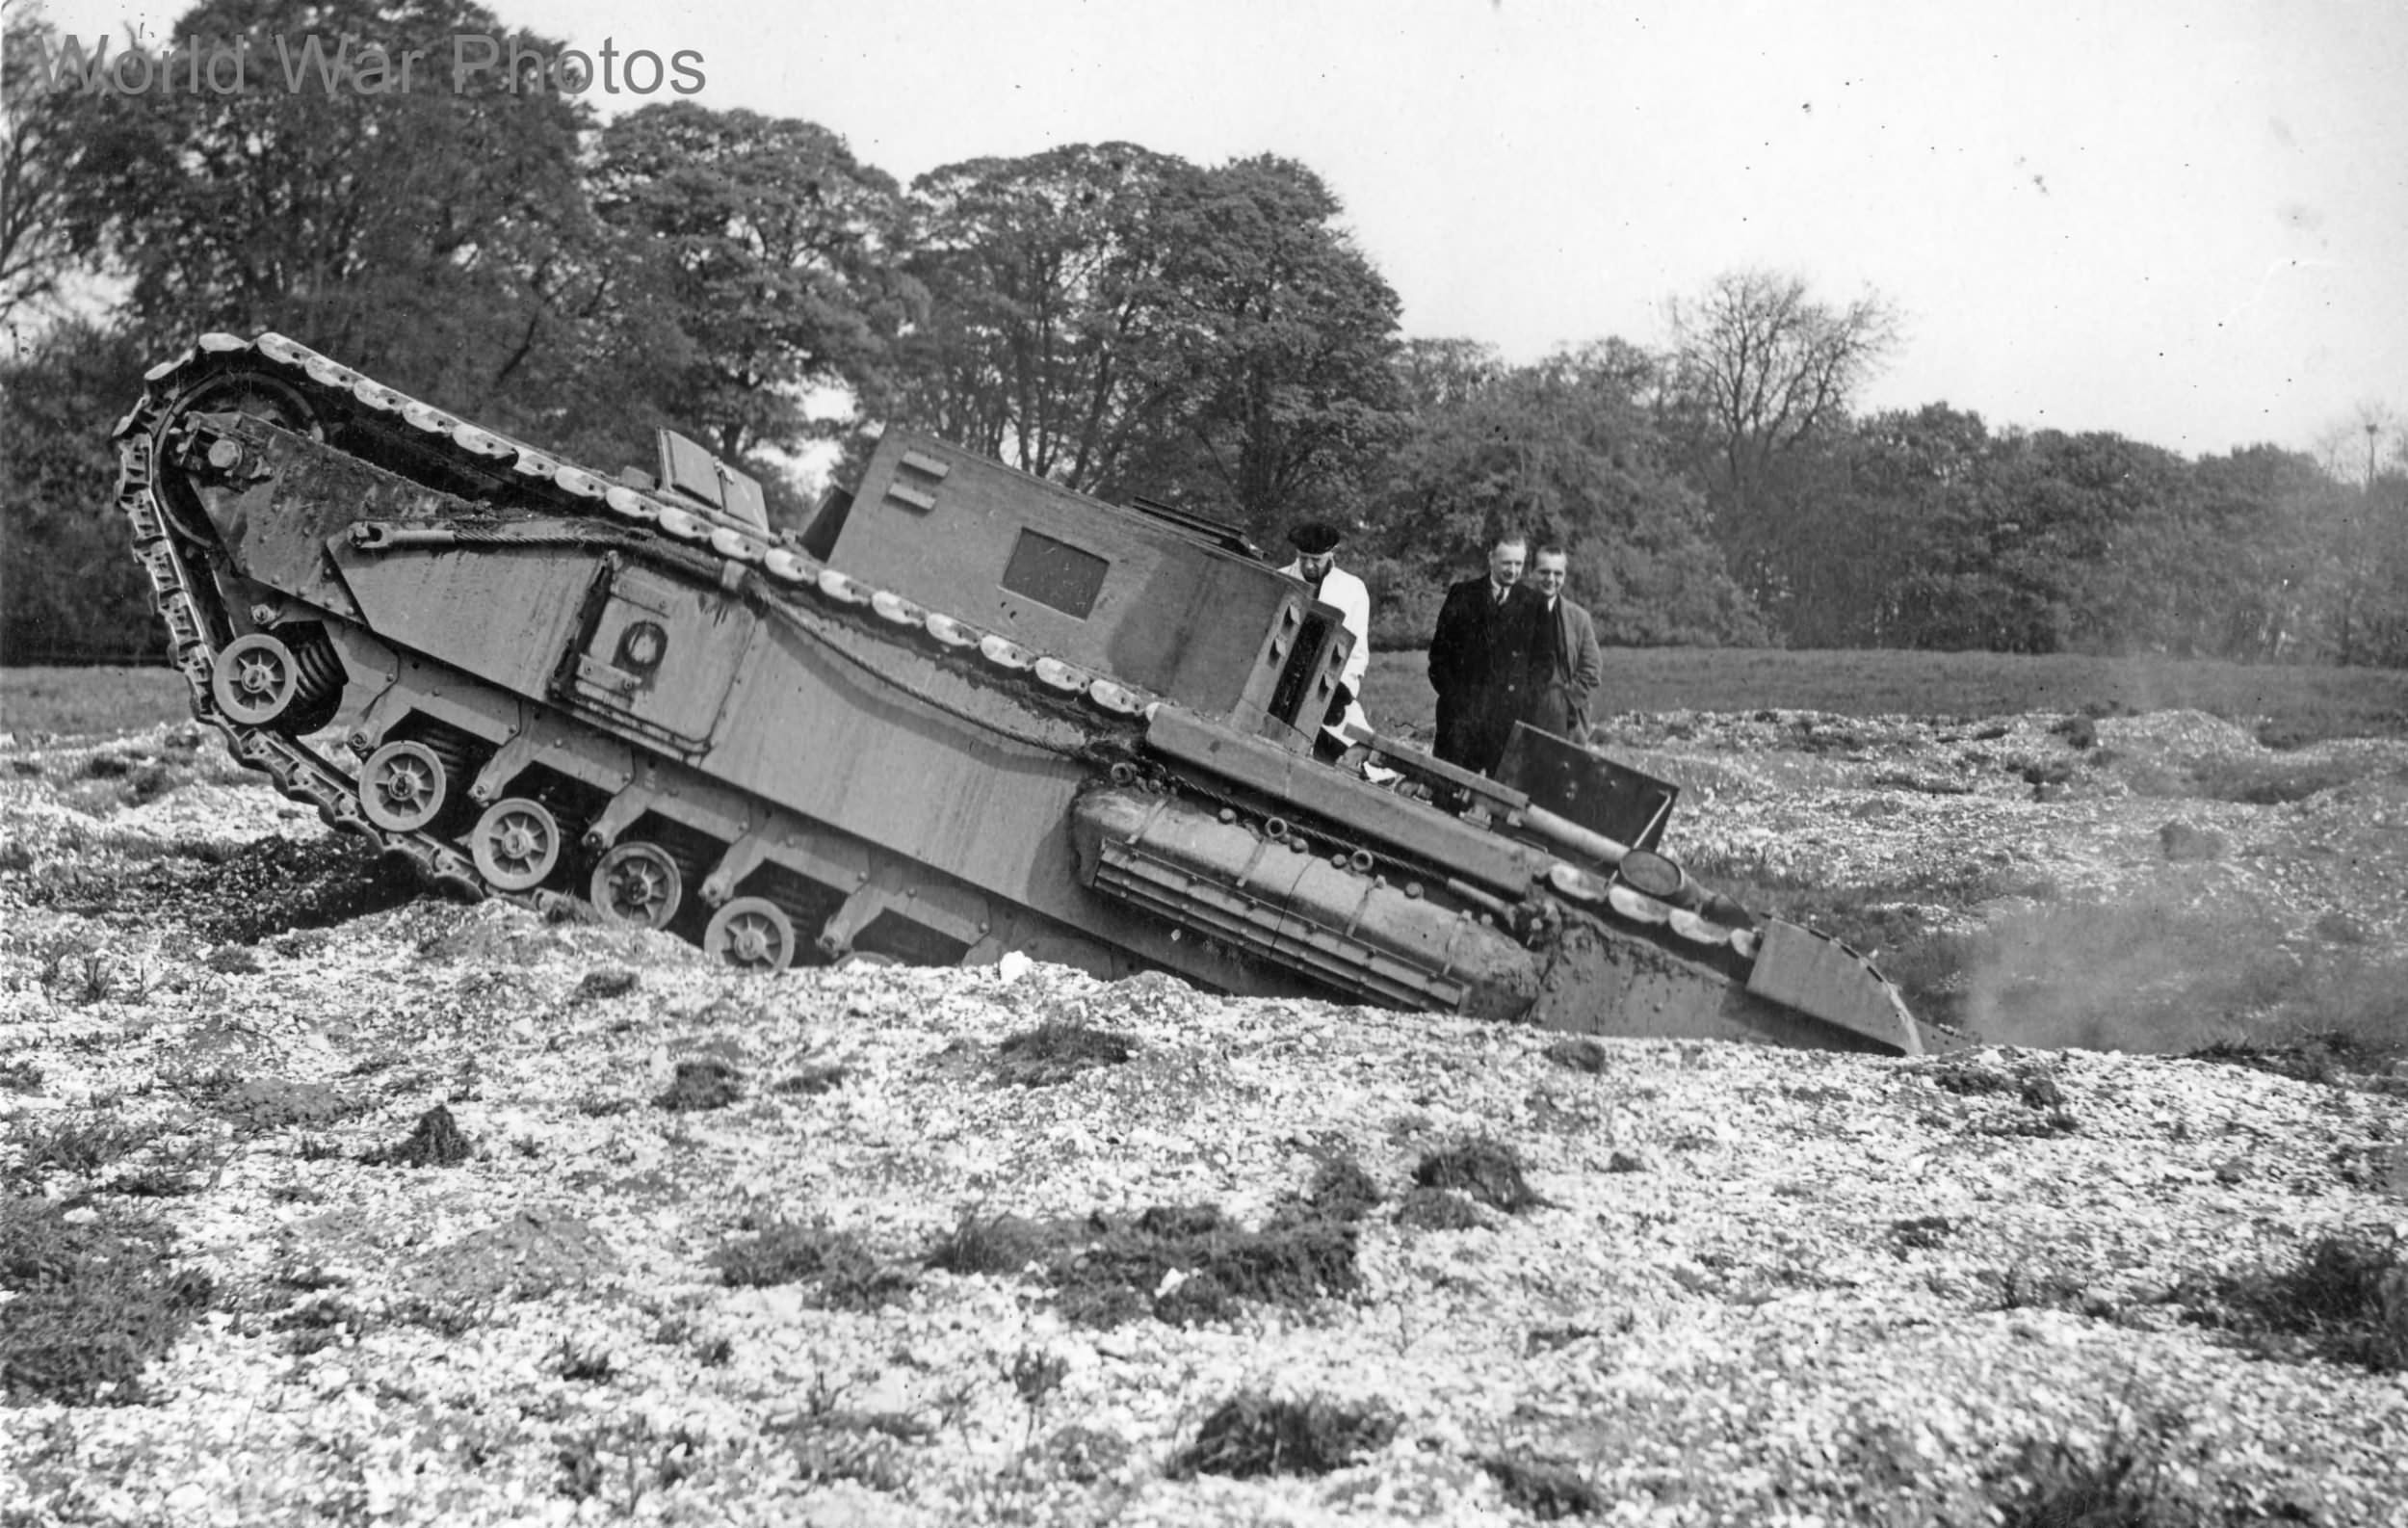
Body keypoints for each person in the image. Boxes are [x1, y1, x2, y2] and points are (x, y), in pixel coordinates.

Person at [1426, 531, 1542, 777]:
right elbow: (1438, 657)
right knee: (1446, 792)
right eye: (1507, 563)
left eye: (1518, 563)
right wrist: (1454, 699)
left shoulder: (1533, 604)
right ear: (1491, 559)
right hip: (1459, 721)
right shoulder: (1462, 595)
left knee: (1498, 802)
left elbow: (1540, 665)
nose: (1513, 570)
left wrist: (1521, 707)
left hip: (1506, 726)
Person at [1281, 520, 1372, 762]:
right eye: (1303, 558)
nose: (1309, 565)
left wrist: (1342, 690)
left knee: (1351, 749)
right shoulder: (1281, 579)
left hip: (1329, 685)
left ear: (1331, 554)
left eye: (1316, 560)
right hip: (1282, 678)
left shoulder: (1352, 589)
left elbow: (1357, 651)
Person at [1523, 546, 1605, 745]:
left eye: (1557, 573)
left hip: (1566, 719)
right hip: (1524, 713)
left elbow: (1592, 668)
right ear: (1532, 572)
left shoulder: (1579, 618)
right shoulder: (1515, 613)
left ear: (1565, 576)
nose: (1550, 579)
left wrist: (1568, 700)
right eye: (1544, 572)